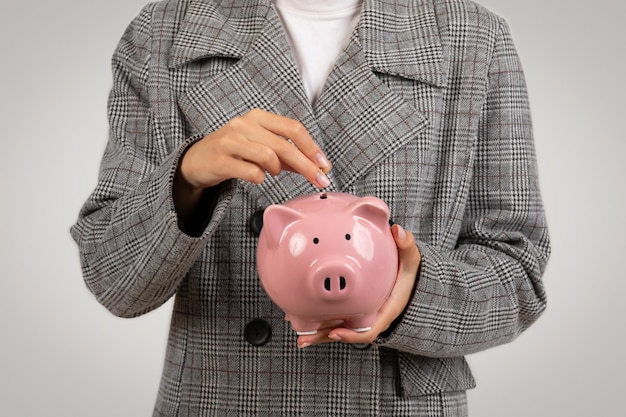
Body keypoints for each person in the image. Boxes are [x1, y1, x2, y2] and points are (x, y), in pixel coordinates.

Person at [70, 0, 550, 415]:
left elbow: (517, 276)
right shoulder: (164, 33)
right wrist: (189, 176)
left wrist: (412, 296)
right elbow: (114, 283)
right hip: (219, 399)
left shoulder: (471, 37)